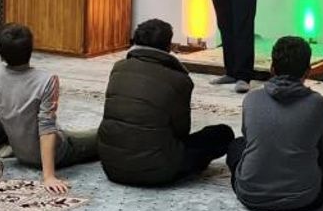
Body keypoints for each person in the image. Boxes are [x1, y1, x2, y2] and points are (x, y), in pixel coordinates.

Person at [0, 23, 98, 195]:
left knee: (69, 132)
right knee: (102, 135)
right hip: (58, 152)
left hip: (21, 153)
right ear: (31, 48)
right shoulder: (46, 80)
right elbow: (46, 128)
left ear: (0, 54)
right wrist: (48, 176)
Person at [226, 36, 323, 211]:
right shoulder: (318, 104)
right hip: (303, 198)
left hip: (249, 195)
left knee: (237, 145)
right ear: (308, 72)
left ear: (272, 69)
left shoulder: (251, 99)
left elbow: (248, 139)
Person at [98, 18, 234, 186]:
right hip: (157, 171)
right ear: (168, 46)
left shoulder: (118, 68)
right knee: (222, 134)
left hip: (112, 166)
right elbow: (181, 130)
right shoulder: (179, 79)